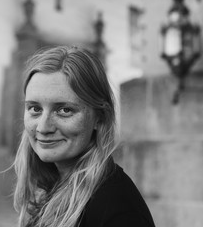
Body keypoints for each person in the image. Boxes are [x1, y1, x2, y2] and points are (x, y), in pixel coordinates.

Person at [13, 46, 155, 227]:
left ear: (100, 117)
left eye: (64, 110)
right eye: (35, 109)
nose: (43, 127)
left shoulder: (117, 209)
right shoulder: (52, 183)